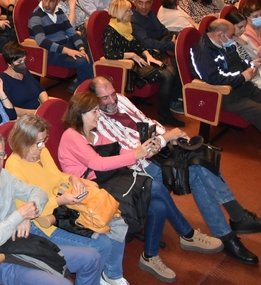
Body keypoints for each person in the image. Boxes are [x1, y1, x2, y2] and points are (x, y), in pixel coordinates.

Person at [90, 77, 261, 264]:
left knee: (202, 156)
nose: (113, 101)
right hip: (141, 168)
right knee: (197, 170)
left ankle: (235, 223)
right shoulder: (98, 122)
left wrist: (168, 136)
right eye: (105, 98)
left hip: (158, 151)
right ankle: (232, 228)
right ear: (94, 100)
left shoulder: (121, 99)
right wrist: (167, 137)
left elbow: (146, 120)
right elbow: (135, 152)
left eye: (113, 94)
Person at [58, 92, 223, 282]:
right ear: (80, 113)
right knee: (154, 187)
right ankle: (187, 234)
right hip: (89, 193)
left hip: (107, 183)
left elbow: (119, 150)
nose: (98, 115)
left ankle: (151, 256)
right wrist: (136, 154)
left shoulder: (94, 133)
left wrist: (145, 150)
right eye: (94, 111)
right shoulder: (71, 136)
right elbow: (99, 164)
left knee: (158, 205)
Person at [0, 129, 103, 285]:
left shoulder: (3, 175)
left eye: (1, 155)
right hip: (0, 259)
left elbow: (39, 193)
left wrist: (28, 211)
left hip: (22, 243)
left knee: (92, 258)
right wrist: (19, 216)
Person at [4, 115, 128, 285]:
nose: (43, 146)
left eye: (44, 140)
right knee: (102, 244)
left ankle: (108, 276)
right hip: (42, 225)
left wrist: (72, 179)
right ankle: (98, 278)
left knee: (115, 223)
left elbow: (56, 176)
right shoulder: (13, 166)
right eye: (38, 142)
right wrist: (61, 201)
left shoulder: (42, 152)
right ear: (23, 141)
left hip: (62, 212)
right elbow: (29, 210)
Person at [104, 0, 179, 125]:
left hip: (137, 61)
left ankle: (167, 109)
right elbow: (109, 53)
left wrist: (148, 55)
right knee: (166, 75)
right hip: (127, 68)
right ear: (121, 12)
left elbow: (138, 45)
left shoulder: (126, 26)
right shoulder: (111, 30)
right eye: (128, 11)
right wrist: (132, 55)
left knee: (171, 70)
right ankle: (164, 115)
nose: (132, 13)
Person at [189, 19, 261, 132]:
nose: (233, 37)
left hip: (243, 86)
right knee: (259, 111)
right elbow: (213, 79)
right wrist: (242, 77)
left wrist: (249, 67)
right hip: (226, 94)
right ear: (220, 35)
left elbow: (239, 61)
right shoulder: (202, 52)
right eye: (231, 34)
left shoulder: (225, 42)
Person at [28, 0, 93, 85]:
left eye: (51, 1)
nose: (46, 4)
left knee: (89, 45)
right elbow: (42, 41)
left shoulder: (59, 12)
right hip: (51, 52)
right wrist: (68, 51)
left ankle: (84, 80)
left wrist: (81, 49)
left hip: (65, 45)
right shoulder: (36, 16)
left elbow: (72, 32)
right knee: (83, 61)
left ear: (58, 2)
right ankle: (83, 91)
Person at [0, 42, 49, 113]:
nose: (23, 64)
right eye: (19, 62)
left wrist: (46, 106)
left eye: (24, 60)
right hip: (24, 117)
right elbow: (10, 109)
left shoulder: (25, 71)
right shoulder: (3, 80)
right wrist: (35, 113)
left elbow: (40, 90)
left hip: (38, 110)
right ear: (9, 63)